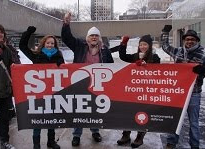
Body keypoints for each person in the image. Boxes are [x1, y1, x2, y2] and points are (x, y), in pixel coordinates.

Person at [61, 12, 118, 147]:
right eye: (92, 35)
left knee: (94, 109)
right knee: (79, 110)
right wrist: (66, 24)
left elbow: (112, 68)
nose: (94, 37)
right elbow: (67, 38)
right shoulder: (79, 46)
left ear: (99, 38)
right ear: (88, 37)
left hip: (98, 86)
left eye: (96, 35)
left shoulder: (105, 51)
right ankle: (76, 135)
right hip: (80, 84)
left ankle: (95, 131)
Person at [19, 26, 63, 149]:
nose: (50, 45)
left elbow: (65, 74)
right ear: (44, 43)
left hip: (54, 93)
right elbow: (23, 46)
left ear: (55, 45)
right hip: (38, 93)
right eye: (48, 43)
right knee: (38, 118)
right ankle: (36, 143)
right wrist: (28, 33)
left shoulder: (59, 56)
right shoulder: (36, 55)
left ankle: (51, 141)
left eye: (52, 43)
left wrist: (62, 65)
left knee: (51, 118)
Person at [161, 25, 205, 149]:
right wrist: (165, 32)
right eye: (187, 39)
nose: (189, 41)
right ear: (184, 41)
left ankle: (195, 145)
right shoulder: (179, 51)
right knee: (175, 118)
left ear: (196, 41)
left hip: (194, 93)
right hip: (179, 92)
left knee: (194, 122)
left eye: (192, 39)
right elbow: (165, 47)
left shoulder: (203, 54)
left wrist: (203, 70)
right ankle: (171, 142)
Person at [116, 34, 160, 148]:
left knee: (142, 113)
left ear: (149, 46)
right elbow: (122, 56)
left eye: (145, 44)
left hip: (146, 91)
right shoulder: (135, 56)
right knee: (129, 112)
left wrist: (148, 66)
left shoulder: (155, 58)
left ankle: (140, 137)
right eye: (141, 44)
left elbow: (159, 74)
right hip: (133, 90)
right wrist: (123, 43)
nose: (142, 46)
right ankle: (126, 134)